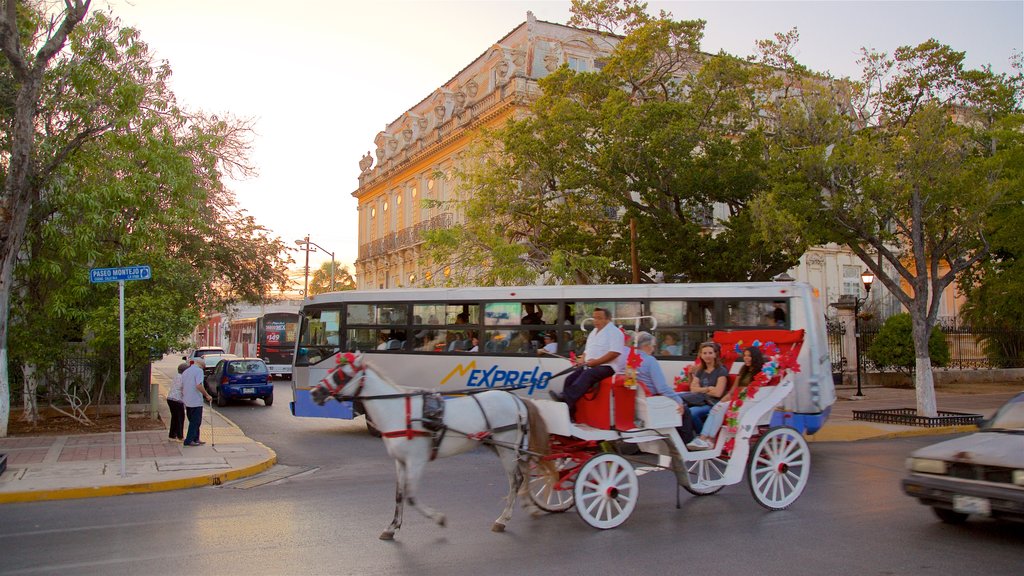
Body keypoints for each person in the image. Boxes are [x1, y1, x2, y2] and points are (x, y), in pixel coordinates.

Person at [549, 307, 625, 418]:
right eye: (594, 318)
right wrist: (582, 360)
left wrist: (596, 362)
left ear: (608, 319)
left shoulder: (615, 332)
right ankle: (570, 413)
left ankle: (565, 398)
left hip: (607, 367)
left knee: (587, 375)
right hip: (590, 365)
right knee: (569, 379)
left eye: (599, 318)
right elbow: (587, 351)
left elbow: (614, 353)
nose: (596, 321)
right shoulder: (593, 332)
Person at [688, 346, 764, 450]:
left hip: (749, 400)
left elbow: (759, 389)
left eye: (749, 356)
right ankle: (703, 437)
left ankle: (710, 439)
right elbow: (734, 388)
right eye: (745, 355)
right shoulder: (743, 369)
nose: (746, 358)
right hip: (737, 398)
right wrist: (727, 397)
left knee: (719, 409)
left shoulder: (761, 372)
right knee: (716, 409)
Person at [634, 332, 697, 443]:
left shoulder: (631, 359)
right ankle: (686, 442)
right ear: (646, 346)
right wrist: (678, 401)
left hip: (640, 397)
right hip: (652, 399)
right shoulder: (650, 360)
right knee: (685, 410)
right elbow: (661, 387)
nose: (653, 349)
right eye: (653, 346)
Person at [682, 341, 728, 429]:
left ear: (715, 354)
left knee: (691, 412)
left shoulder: (721, 370)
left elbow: (718, 393)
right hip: (698, 399)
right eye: (705, 353)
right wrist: (708, 389)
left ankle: (701, 435)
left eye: (710, 353)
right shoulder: (700, 370)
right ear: (701, 355)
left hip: (712, 403)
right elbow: (693, 389)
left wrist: (700, 389)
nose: (707, 356)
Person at [181, 357, 213, 446]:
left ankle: (196, 438)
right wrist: (207, 395)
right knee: (196, 421)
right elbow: (198, 385)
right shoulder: (199, 371)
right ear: (201, 364)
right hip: (195, 400)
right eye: (204, 365)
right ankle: (189, 440)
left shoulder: (186, 371)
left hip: (187, 399)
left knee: (193, 420)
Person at [166, 357, 188, 442]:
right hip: (177, 399)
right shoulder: (183, 378)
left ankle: (172, 435)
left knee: (174, 417)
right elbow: (183, 389)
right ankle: (180, 436)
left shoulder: (177, 376)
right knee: (180, 418)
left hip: (170, 398)